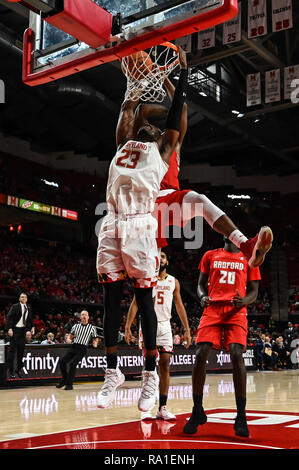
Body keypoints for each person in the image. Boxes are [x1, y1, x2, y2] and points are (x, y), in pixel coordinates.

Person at [96, 48, 189, 413]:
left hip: (139, 223)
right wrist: (135, 80)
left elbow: (179, 114)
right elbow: (127, 109)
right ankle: (112, 371)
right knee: (109, 300)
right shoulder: (123, 141)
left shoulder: (164, 149)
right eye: (145, 123)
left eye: (155, 125)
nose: (149, 125)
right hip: (113, 220)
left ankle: (149, 375)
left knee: (144, 299)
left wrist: (180, 75)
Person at [134, 79, 273, 269]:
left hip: (171, 200)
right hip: (145, 207)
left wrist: (164, 79)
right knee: (149, 271)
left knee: (198, 199)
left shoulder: (172, 147)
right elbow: (139, 113)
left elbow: (181, 108)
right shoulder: (136, 151)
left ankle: (245, 245)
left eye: (153, 128)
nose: (149, 128)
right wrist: (149, 82)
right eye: (147, 128)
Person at [183, 237, 261, 438]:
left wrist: (243, 301)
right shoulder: (210, 255)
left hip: (236, 310)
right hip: (213, 309)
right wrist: (201, 297)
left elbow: (254, 291)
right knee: (200, 353)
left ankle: (241, 416)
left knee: (236, 353)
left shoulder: (248, 258)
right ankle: (197, 409)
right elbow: (200, 284)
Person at [125, 250, 191, 420]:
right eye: (158, 256)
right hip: (148, 324)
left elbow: (180, 306)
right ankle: (147, 405)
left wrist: (187, 329)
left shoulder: (173, 282)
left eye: (163, 256)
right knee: (149, 364)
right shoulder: (146, 279)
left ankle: (162, 407)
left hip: (165, 325)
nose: (160, 259)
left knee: (165, 364)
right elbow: (135, 303)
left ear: (167, 261)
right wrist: (127, 327)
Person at [56, 310, 99, 390]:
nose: (84, 316)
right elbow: (71, 336)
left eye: (86, 315)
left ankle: (69, 385)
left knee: (72, 364)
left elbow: (95, 338)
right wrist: (68, 339)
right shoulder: (76, 326)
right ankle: (64, 379)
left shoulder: (92, 328)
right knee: (62, 361)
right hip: (74, 346)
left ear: (88, 317)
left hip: (82, 348)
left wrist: (95, 343)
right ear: (80, 317)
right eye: (82, 315)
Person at [6, 293, 35, 378]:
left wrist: (33, 326)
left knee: (21, 352)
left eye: (25, 297)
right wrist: (9, 328)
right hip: (15, 330)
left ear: (27, 299)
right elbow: (9, 317)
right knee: (12, 351)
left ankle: (18, 370)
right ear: (19, 299)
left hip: (23, 331)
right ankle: (11, 371)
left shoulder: (28, 307)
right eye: (22, 297)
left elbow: (30, 318)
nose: (24, 298)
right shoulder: (15, 306)